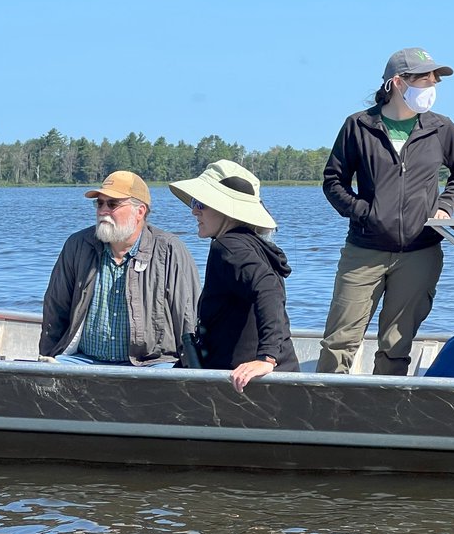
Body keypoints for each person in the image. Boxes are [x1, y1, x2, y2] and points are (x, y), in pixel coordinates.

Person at [317, 47, 454, 375]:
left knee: (396, 346)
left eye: (435, 80)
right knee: (340, 340)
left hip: (421, 252)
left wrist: (445, 207)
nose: (431, 86)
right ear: (397, 83)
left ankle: (383, 415)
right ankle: (325, 414)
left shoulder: (441, 128)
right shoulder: (359, 126)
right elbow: (333, 181)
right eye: (424, 79)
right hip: (364, 251)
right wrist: (363, 212)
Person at [41, 171, 200, 366]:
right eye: (99, 203)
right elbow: (55, 308)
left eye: (113, 204)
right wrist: (46, 357)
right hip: (83, 360)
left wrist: (193, 370)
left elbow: (188, 317)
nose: (103, 211)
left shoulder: (169, 250)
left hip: (152, 362)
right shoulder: (77, 245)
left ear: (140, 211)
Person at [170, 160, 299, 392]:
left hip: (252, 387)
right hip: (273, 378)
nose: (194, 210)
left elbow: (269, 289)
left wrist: (266, 358)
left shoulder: (229, 246)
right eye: (193, 202)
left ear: (224, 209)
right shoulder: (249, 243)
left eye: (201, 203)